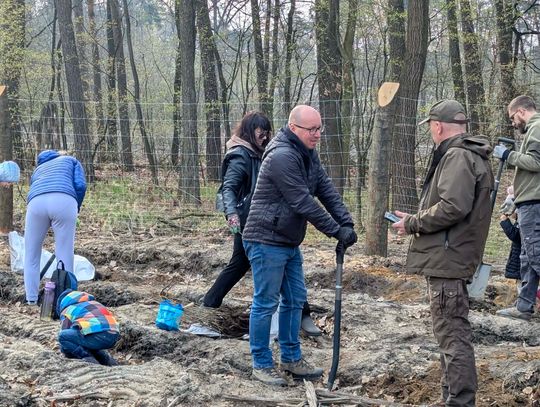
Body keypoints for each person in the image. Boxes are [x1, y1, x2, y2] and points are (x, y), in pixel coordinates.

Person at [241, 105, 357, 386]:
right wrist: (335, 231)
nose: (317, 134)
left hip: (288, 239)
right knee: (266, 302)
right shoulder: (282, 156)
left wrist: (347, 223)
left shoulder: (307, 154)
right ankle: (261, 363)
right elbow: (302, 201)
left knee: (295, 299)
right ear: (293, 128)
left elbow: (325, 189)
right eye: (311, 129)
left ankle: (291, 358)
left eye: (319, 129)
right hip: (266, 239)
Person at [391, 100, 493, 406]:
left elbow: (453, 207)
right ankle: (451, 397)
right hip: (452, 256)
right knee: (449, 334)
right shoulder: (468, 154)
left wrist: (413, 223)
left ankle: (459, 401)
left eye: (431, 127)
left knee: (453, 337)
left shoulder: (457, 156)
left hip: (449, 258)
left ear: (437, 126)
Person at [203, 111, 322, 336]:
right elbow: (228, 187)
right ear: (250, 131)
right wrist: (231, 213)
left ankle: (210, 302)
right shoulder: (240, 155)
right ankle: (301, 315)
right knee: (263, 263)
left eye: (268, 132)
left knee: (242, 263)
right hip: (249, 220)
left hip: (264, 219)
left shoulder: (264, 152)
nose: (265, 137)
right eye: (261, 132)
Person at [494, 95, 540, 321]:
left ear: (522, 111)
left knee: (535, 254)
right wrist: (517, 192)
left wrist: (508, 155)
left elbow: (536, 162)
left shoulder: (537, 128)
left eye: (513, 118)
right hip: (529, 200)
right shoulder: (534, 129)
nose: (513, 123)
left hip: (534, 203)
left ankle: (524, 306)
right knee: (528, 256)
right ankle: (524, 306)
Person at [24, 150, 86, 305]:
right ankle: (66, 301)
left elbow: (33, 188)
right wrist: (75, 206)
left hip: (35, 203)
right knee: (64, 252)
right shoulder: (71, 160)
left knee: (31, 254)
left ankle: (31, 299)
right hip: (64, 200)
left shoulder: (39, 169)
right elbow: (80, 185)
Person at [57, 289, 119, 366]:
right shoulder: (93, 303)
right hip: (114, 335)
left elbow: (65, 334)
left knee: (63, 336)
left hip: (97, 334)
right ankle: (108, 361)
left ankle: (87, 358)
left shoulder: (68, 310)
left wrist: (66, 351)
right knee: (86, 341)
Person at [499, 187, 521, 287]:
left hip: (520, 263)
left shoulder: (523, 221)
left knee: (523, 285)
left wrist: (505, 221)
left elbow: (516, 236)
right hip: (519, 261)